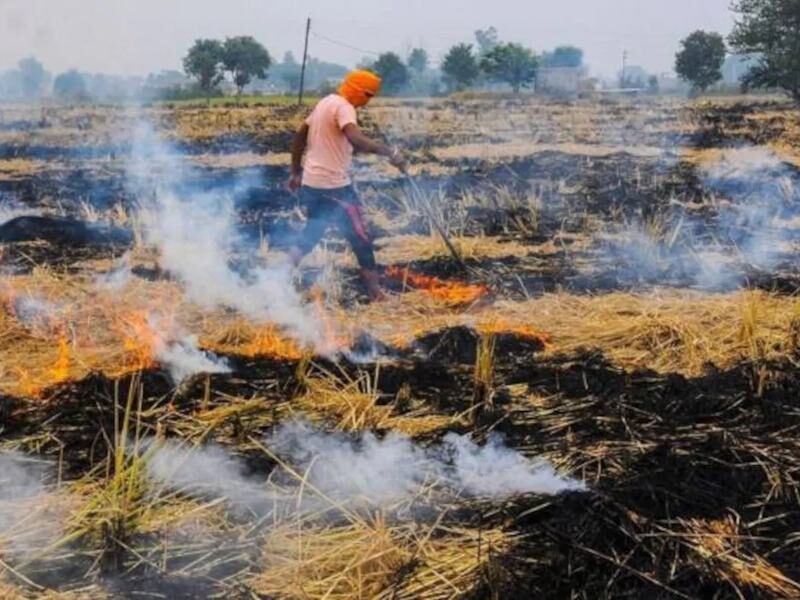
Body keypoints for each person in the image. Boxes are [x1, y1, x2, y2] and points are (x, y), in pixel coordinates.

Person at [286, 70, 407, 301]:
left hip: (312, 184)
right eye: (367, 95)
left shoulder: (325, 102)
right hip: (334, 186)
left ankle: (277, 277)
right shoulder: (344, 107)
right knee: (360, 236)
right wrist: (389, 151)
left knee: (313, 231)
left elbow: (300, 135)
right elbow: (355, 138)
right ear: (357, 91)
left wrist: (295, 171)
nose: (368, 101)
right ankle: (375, 292)